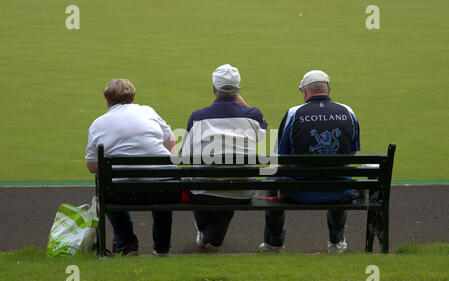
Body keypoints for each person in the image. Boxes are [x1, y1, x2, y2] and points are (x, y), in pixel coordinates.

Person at [260, 70, 361, 254]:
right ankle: (336, 243)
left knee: (272, 177)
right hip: (339, 190)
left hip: (299, 192)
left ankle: (273, 244)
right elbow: (352, 152)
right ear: (329, 90)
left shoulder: (293, 113)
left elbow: (281, 160)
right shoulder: (348, 111)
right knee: (340, 174)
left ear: (304, 92)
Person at [85, 79, 181, 256]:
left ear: (107, 101)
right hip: (164, 191)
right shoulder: (148, 112)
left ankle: (127, 243)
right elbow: (171, 141)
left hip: (121, 193)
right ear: (133, 97)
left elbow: (92, 166)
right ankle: (161, 247)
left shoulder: (98, 124)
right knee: (165, 181)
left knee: (107, 187)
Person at [180, 64, 267, 249]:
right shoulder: (253, 115)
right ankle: (209, 235)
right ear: (238, 90)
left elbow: (184, 157)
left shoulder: (198, 117)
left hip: (204, 191)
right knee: (227, 182)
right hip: (243, 191)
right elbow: (262, 132)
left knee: (197, 177)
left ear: (213, 88)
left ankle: (207, 234)